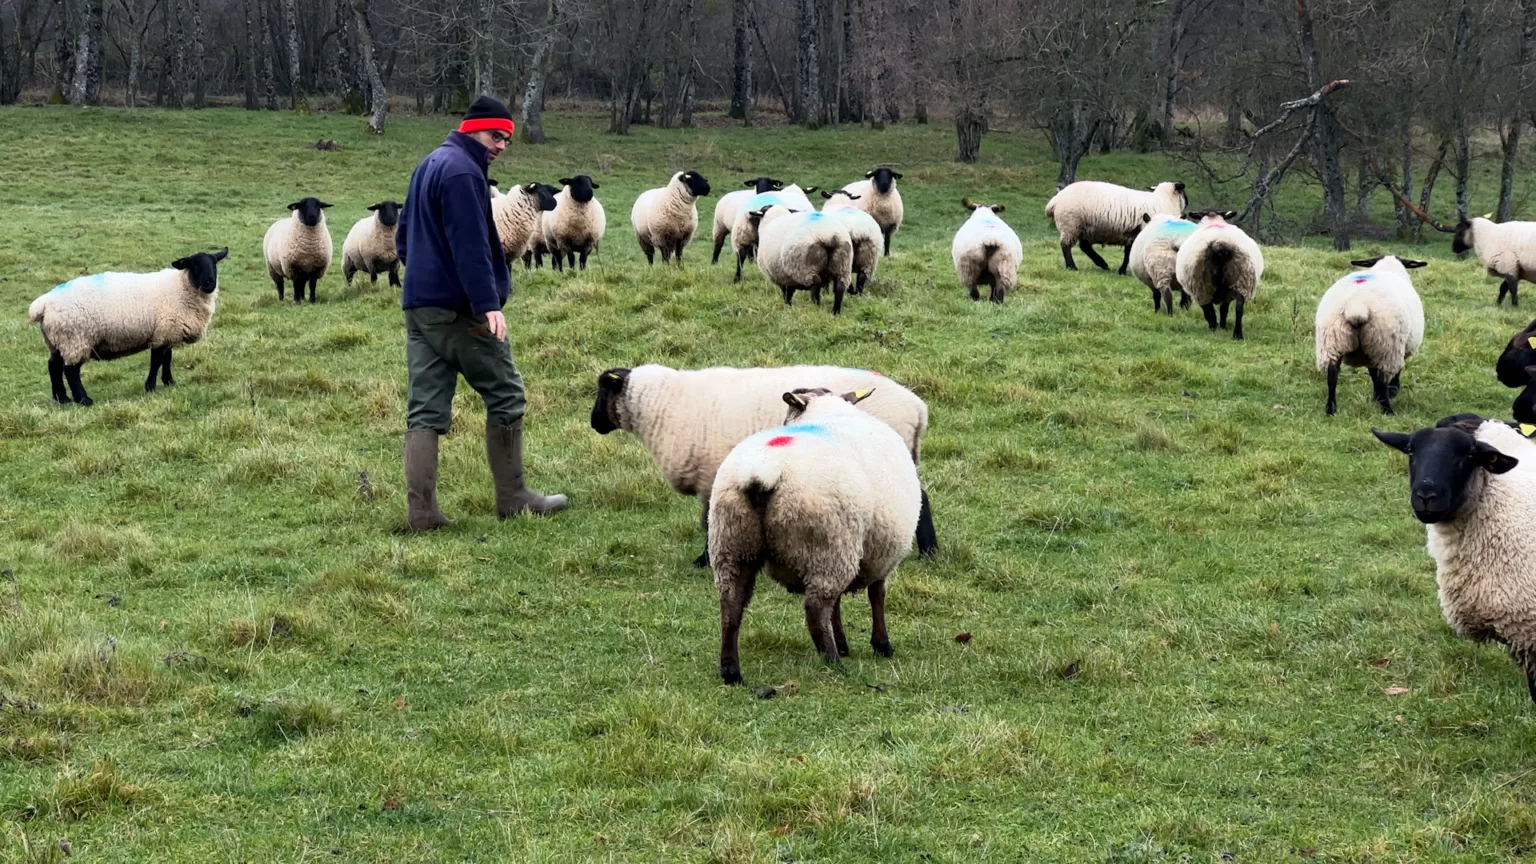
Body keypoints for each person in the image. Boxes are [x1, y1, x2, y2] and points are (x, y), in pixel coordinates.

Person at [395, 95, 566, 530]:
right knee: (506, 392)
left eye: (507, 138)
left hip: (420, 306)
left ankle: (422, 513)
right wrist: (487, 304)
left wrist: (417, 272)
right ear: (472, 129)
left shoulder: (430, 163)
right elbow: (470, 243)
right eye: (496, 135)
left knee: (425, 408)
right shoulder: (462, 172)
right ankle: (513, 496)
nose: (503, 144)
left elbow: (404, 233)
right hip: (459, 308)